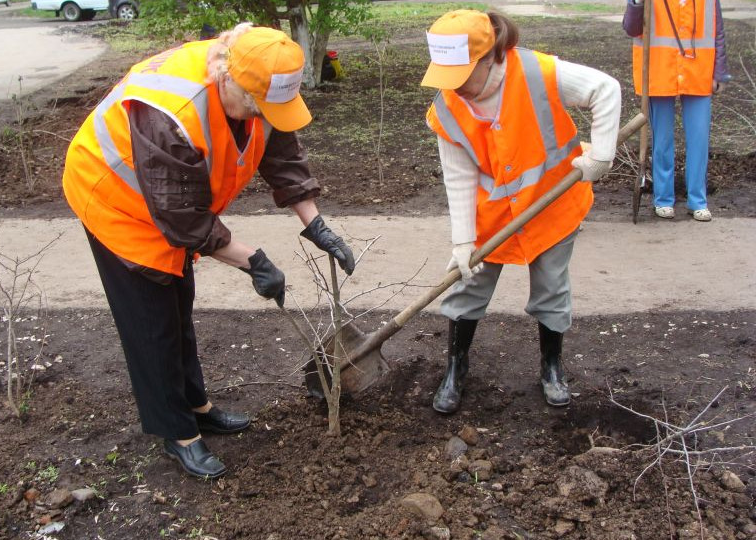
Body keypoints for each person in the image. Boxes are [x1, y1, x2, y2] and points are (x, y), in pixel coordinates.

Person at [62, 23, 355, 479]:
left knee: (179, 306)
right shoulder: (171, 112)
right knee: (152, 323)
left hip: (169, 202)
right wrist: (255, 261)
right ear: (228, 80)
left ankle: (197, 406)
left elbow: (280, 152)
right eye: (258, 107)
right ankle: (176, 433)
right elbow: (185, 221)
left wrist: (316, 224)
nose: (263, 115)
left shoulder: (254, 77)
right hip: (116, 201)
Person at [420, 9, 621, 412]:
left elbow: (606, 88)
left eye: (460, 76)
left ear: (491, 56)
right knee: (467, 285)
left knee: (551, 286)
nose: (453, 88)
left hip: (553, 204)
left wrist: (601, 156)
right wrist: (462, 243)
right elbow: (458, 179)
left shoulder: (537, 73)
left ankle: (551, 367)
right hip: (493, 215)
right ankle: (456, 368)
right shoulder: (447, 109)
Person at [623, 0, 732, 221]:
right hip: (659, 70)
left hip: (699, 71)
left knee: (699, 140)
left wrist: (719, 72)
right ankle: (663, 199)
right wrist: (635, 4)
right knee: (662, 140)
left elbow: (717, 31)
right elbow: (631, 28)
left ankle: (698, 201)